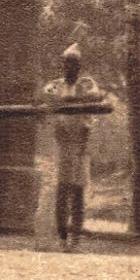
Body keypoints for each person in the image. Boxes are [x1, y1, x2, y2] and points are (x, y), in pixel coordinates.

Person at [45, 43, 100, 252]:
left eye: (73, 64)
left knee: (77, 191)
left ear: (79, 66)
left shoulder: (86, 83)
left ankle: (76, 237)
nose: (68, 67)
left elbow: (94, 95)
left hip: (81, 144)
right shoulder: (56, 84)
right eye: (65, 63)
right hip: (62, 143)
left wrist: (68, 100)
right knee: (61, 190)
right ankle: (62, 236)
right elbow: (47, 96)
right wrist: (66, 100)